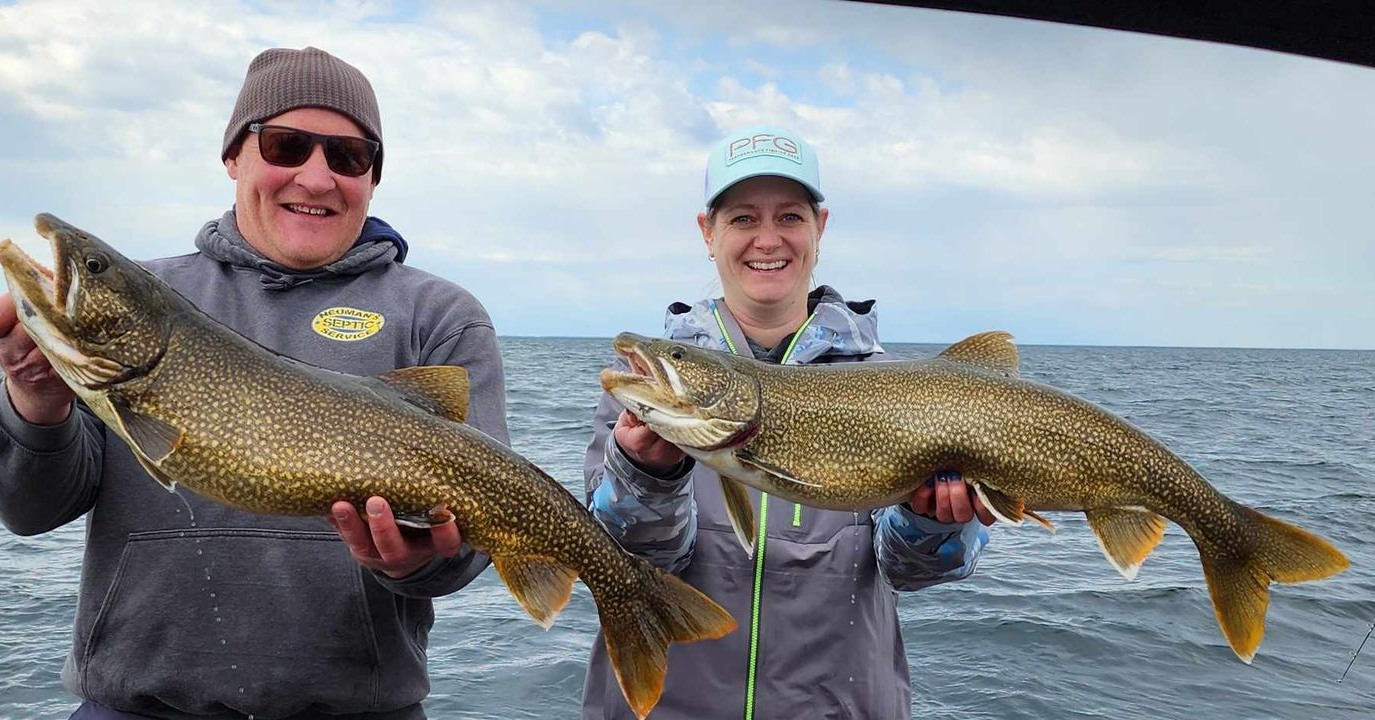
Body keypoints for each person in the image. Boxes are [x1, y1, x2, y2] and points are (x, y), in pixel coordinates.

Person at [0, 47, 507, 719]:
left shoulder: (439, 316)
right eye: (286, 145)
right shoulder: (155, 298)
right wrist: (37, 407)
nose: (317, 177)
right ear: (233, 157)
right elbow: (31, 513)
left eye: (349, 157)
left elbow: (477, 542)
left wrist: (415, 562)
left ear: (372, 178)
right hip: (133, 705)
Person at [580, 126, 996, 719]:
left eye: (791, 217)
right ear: (708, 231)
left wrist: (932, 524)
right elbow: (623, 560)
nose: (767, 239)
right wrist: (646, 476)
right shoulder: (639, 398)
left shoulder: (896, 385)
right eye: (744, 218)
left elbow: (915, 570)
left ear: (820, 227)